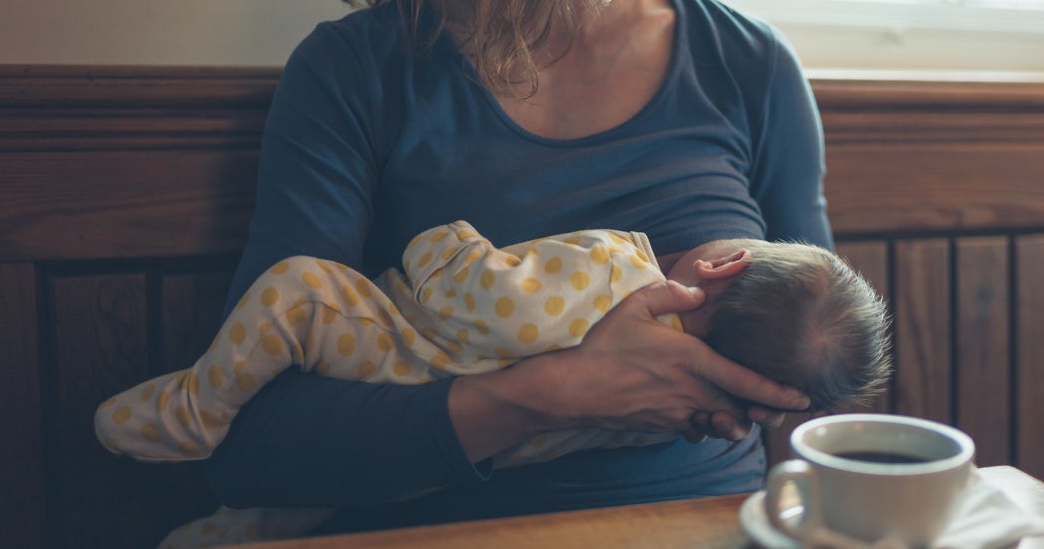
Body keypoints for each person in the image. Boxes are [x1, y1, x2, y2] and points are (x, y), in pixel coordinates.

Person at [199, 0, 835, 537]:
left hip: (708, 526)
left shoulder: (753, 67)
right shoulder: (355, 71)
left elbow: (816, 369)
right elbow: (253, 451)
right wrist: (556, 394)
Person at [97, 220, 888, 546]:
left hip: (386, 353)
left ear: (719, 266)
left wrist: (445, 240)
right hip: (435, 470)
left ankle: (193, 408)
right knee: (298, 507)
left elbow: (467, 291)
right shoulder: (673, 411)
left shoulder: (618, 266)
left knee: (295, 292)